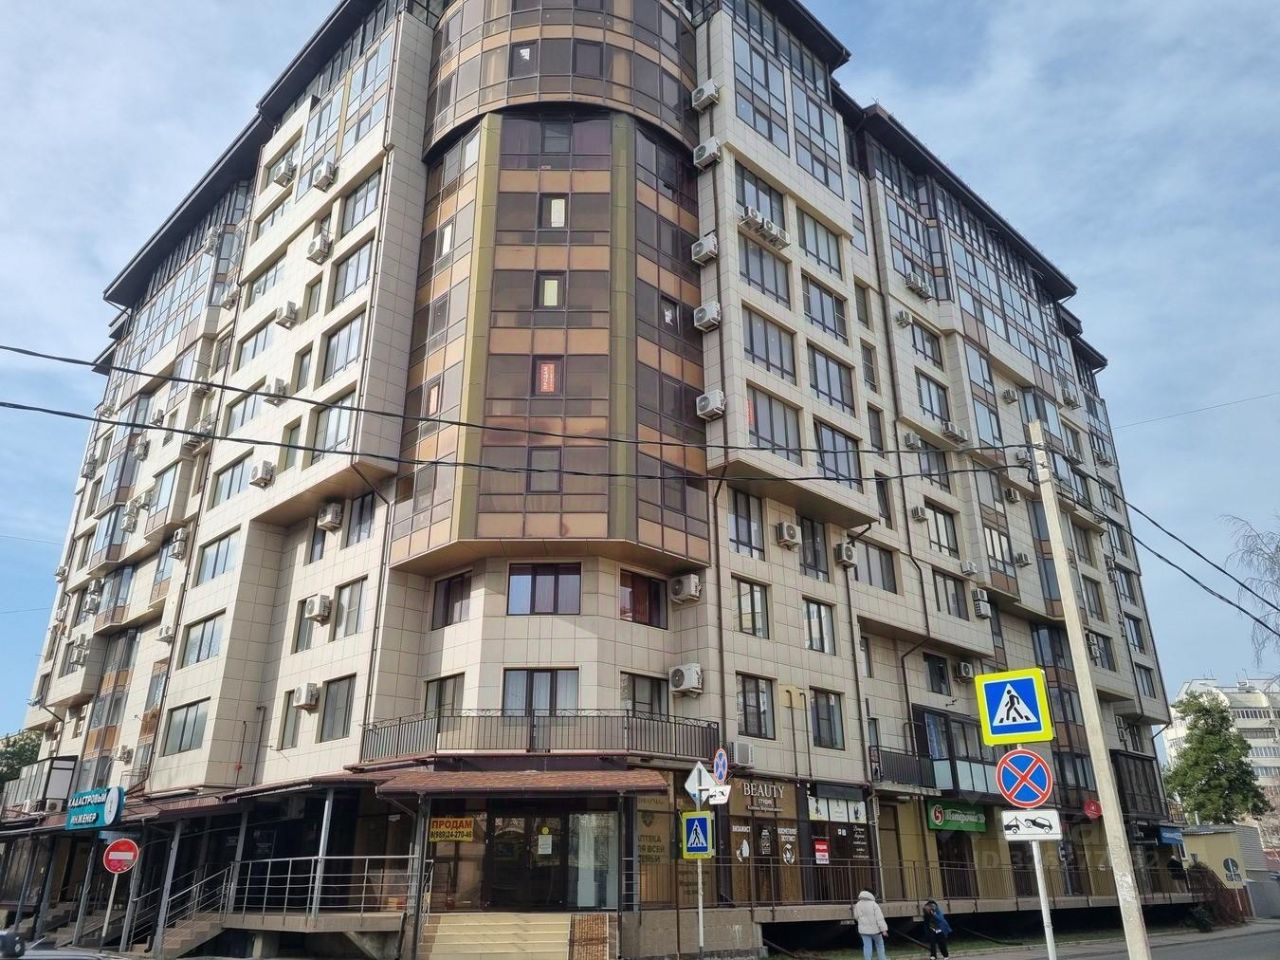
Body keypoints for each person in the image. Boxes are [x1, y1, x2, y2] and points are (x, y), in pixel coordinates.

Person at [854, 889, 889, 960]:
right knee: (879, 944)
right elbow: (879, 918)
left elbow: (856, 917)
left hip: (863, 930)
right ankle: (882, 958)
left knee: (867, 946)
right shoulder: (874, 904)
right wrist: (884, 930)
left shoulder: (857, 905)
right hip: (875, 930)